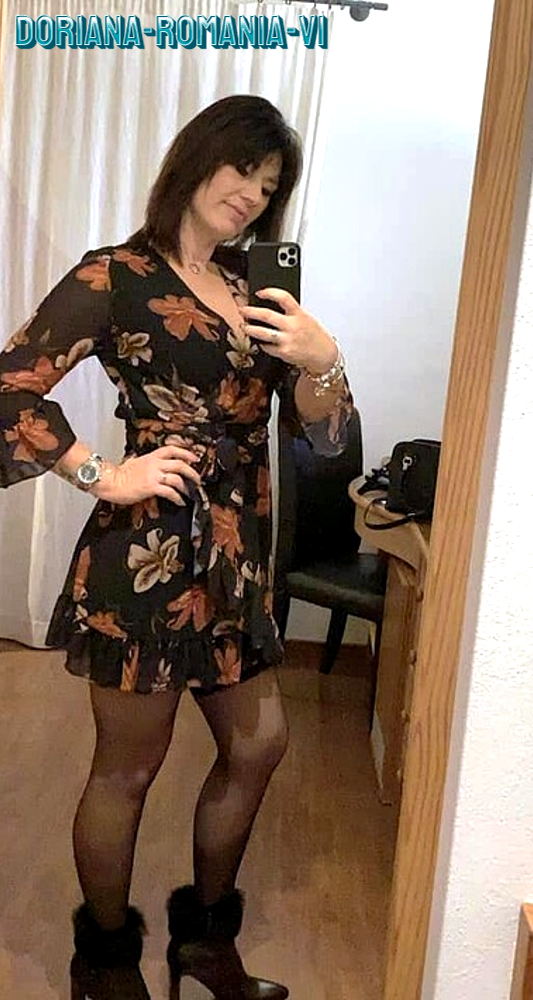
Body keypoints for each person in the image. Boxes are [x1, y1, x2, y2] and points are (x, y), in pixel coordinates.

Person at [0, 95, 353, 1000]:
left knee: (260, 744)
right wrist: (103, 474)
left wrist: (322, 360)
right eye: (242, 169)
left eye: (269, 186)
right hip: (146, 557)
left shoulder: (255, 289)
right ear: (197, 160)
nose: (252, 194)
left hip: (235, 558)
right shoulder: (115, 275)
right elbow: (11, 389)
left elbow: (323, 437)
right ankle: (104, 960)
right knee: (129, 767)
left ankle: (203, 942)